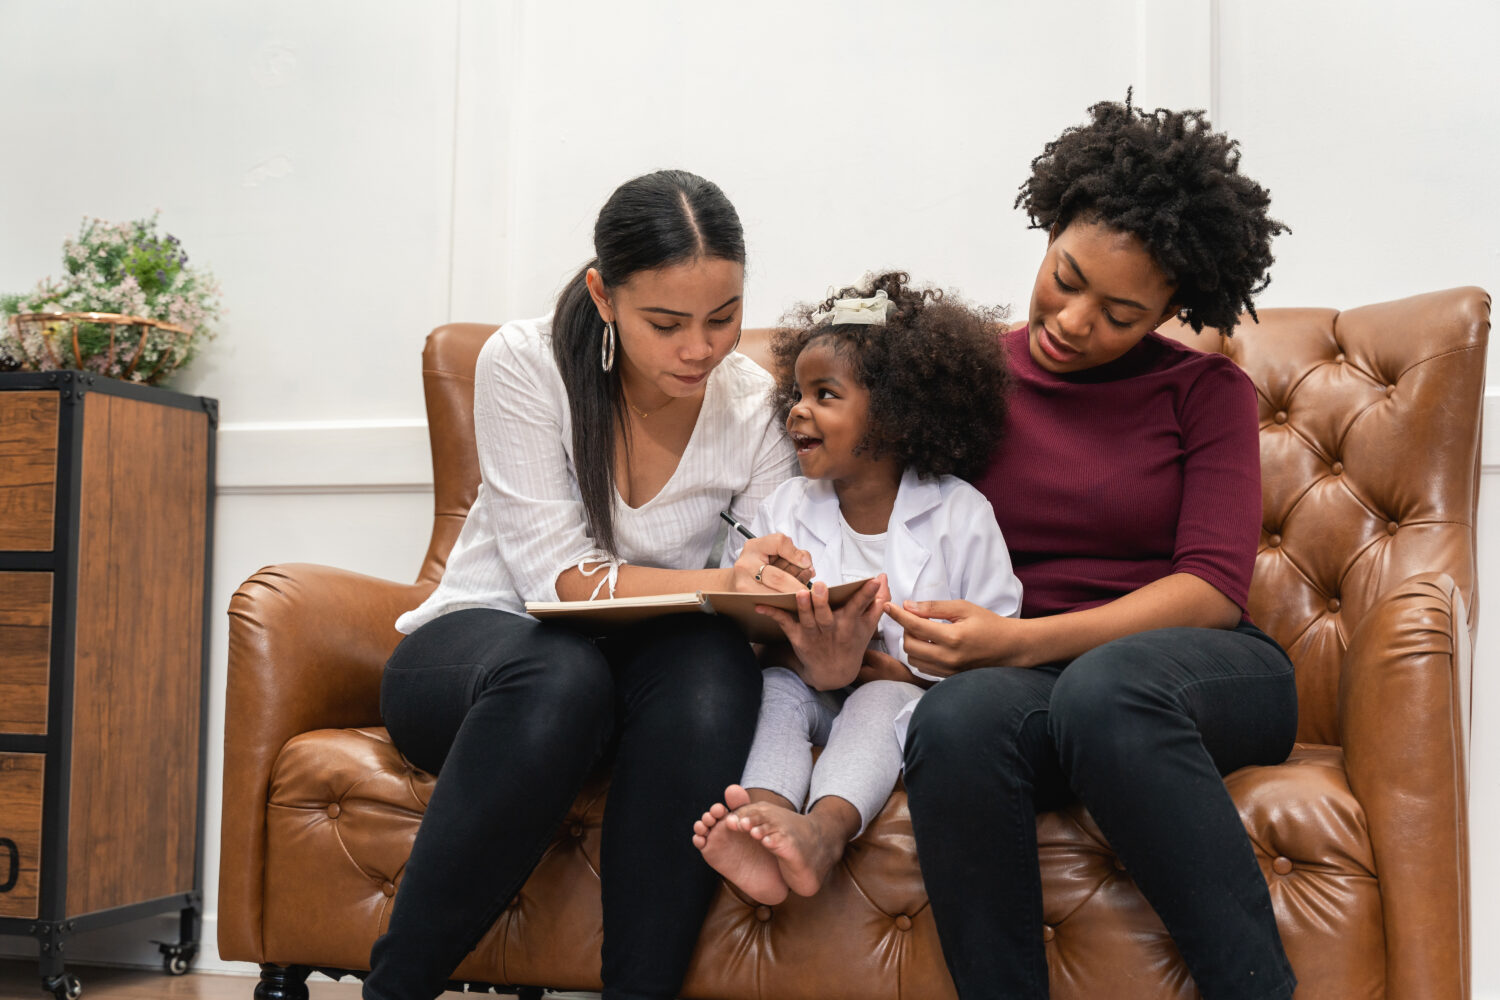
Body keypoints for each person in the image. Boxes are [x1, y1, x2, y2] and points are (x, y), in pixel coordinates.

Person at [363, 169, 851, 1000]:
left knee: (712, 662)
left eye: (723, 318)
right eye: (667, 323)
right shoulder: (525, 362)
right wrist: (720, 577)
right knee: (562, 671)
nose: (699, 348)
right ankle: (396, 989)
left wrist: (790, 601)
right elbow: (555, 577)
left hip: (638, 682)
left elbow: (754, 587)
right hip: (483, 656)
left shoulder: (751, 404)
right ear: (604, 294)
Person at [885, 94, 1298, 1000]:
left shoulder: (1205, 392)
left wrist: (1020, 643)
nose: (1074, 322)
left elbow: (1211, 589)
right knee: (955, 724)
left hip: (1203, 672)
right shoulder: (965, 379)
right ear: (1049, 226)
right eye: (1065, 278)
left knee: (1109, 693)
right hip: (1038, 688)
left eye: (1121, 313)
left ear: (1172, 307)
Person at [690, 272, 1021, 907]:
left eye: (825, 394)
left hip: (905, 699)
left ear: (896, 418)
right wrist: (788, 635)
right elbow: (742, 627)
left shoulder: (960, 514)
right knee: (777, 692)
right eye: (797, 391)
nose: (797, 409)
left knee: (875, 707)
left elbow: (995, 648)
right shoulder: (784, 506)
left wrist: (885, 672)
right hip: (806, 686)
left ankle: (822, 832)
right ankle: (763, 824)